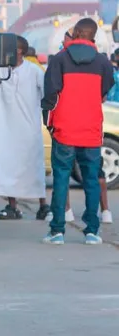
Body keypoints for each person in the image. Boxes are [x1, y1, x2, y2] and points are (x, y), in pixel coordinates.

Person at [41, 18, 115, 245]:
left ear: (75, 34)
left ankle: (57, 232)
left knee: (61, 178)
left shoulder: (59, 60)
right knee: (91, 179)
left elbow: (50, 97)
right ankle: (92, 231)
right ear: (93, 36)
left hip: (64, 128)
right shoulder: (103, 63)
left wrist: (50, 124)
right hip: (91, 130)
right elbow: (105, 90)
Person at [0, 35, 49, 220]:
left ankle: (43, 205)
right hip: (4, 129)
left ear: (20, 51)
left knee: (33, 166)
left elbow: (47, 96)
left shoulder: (34, 71)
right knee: (7, 166)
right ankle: (12, 206)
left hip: (28, 129)